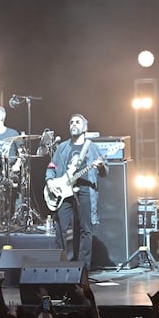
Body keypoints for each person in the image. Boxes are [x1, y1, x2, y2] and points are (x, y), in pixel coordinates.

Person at [45, 113, 107, 270]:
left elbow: (105, 171)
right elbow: (52, 167)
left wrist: (100, 165)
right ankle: (62, 265)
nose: (73, 124)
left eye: (78, 122)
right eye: (71, 122)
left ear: (85, 127)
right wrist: (50, 180)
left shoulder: (91, 147)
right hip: (64, 192)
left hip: (84, 190)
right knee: (60, 230)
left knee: (85, 229)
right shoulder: (63, 147)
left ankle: (82, 269)